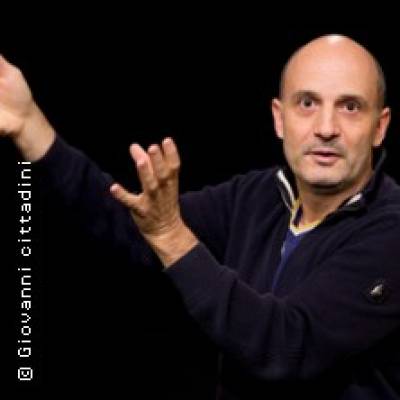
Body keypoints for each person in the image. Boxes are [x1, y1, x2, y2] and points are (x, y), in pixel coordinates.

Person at [2, 34, 400, 399]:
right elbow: (133, 226)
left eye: (350, 107)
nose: (326, 128)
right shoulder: (258, 195)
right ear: (279, 118)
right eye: (307, 103)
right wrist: (30, 126)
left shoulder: (392, 231)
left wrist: (171, 235)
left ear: (379, 127)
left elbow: (283, 345)